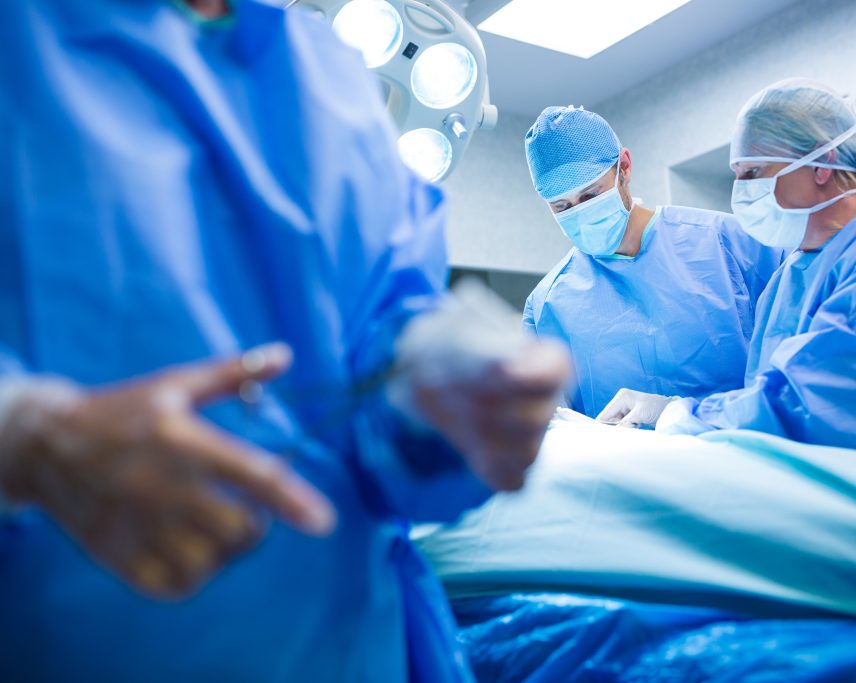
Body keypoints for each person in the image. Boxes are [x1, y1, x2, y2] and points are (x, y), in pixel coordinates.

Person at [0, 0, 569, 681]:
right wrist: (28, 437)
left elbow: (382, 351)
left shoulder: (334, 77)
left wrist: (444, 397)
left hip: (350, 644)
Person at [598, 79, 856, 470]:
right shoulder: (789, 278)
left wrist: (682, 416)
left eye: (752, 174)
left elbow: (829, 403)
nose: (740, 190)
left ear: (822, 163)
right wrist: (675, 409)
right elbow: (777, 395)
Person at [522, 107, 784, 418]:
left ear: (625, 167)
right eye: (562, 206)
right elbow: (547, 425)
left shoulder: (730, 243)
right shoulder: (547, 306)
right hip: (629, 467)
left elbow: (799, 371)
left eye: (590, 195)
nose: (579, 212)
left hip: (744, 455)